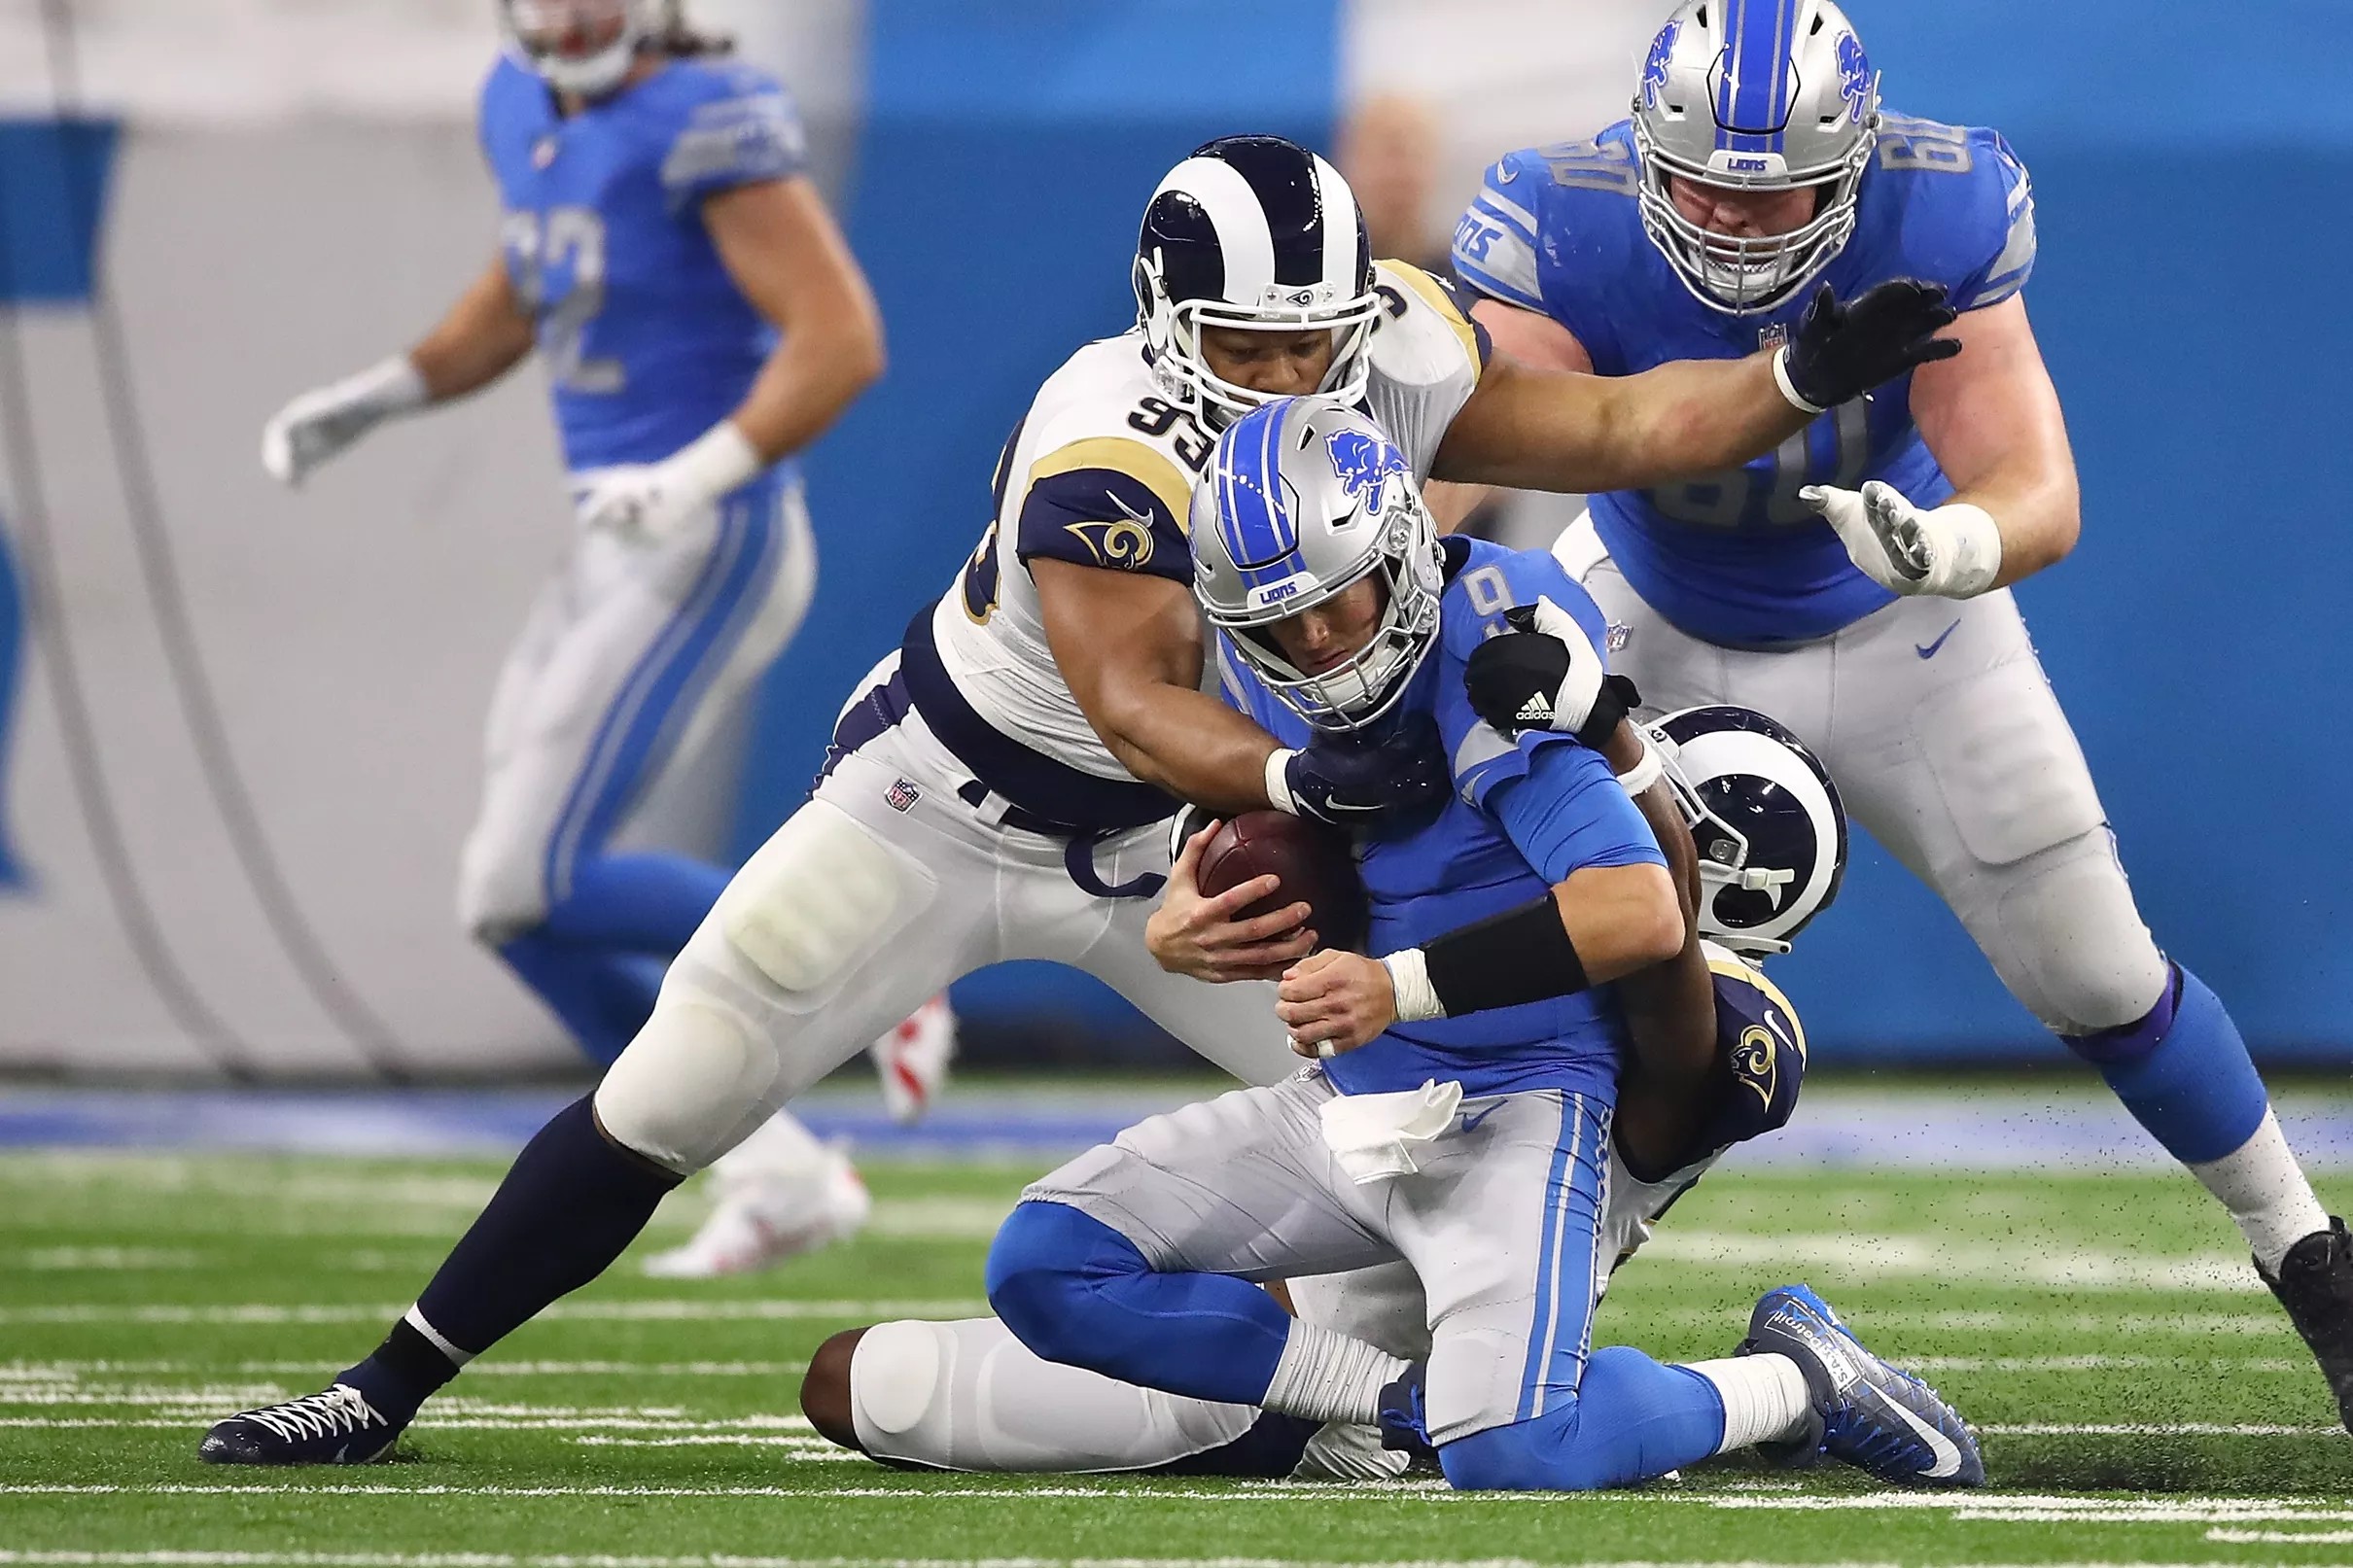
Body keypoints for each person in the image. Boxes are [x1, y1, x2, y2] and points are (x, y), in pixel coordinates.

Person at [198, 130, 1955, 1466]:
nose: (1292, 378)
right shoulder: (1105, 437)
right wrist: (1302, 779)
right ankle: (383, 1381)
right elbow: (1136, 702)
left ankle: (1432, 1363)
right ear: (1169, 326)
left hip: (1203, 858)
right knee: (680, 1078)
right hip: (958, 804)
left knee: (1474, 1109)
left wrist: (1795, 380)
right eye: (1251, 348)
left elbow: (1622, 428)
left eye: (1315, 343)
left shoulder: (1392, 356)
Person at [1447, 0, 2353, 1428]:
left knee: (2099, 972)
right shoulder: (1563, 219)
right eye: (1700, 189)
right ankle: (1465, 1310)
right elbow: (1478, 460)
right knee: (1535, 961)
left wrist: (1957, 547)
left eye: (1786, 192)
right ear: (1644, 156)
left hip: (1898, 614)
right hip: (1638, 614)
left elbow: (2036, 486)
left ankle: (2314, 1262)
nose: (1741, 229)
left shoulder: (1941, 211)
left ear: (1857, 168)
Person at [979, 396, 1980, 1492]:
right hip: (1348, 1103)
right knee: (1043, 1260)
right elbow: (1263, 829)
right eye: (1277, 621)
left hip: (1517, 1100)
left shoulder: (1492, 650)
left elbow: (1640, 912)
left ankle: (1792, 1384)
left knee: (1512, 1450)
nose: (1312, 640)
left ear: (1396, 551)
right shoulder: (1270, 660)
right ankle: (1389, 1405)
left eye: (1335, 600)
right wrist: (1181, 907)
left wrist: (1393, 986)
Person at [254, 0, 951, 1277]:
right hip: (612, 540)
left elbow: (841, 337)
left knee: (533, 875)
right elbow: (527, 287)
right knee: (512, 905)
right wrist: (377, 397)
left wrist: (696, 475)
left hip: (709, 531)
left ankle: (901, 951)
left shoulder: (705, 112)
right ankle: (780, 1166)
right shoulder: (516, 103)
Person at [799, 700, 1846, 1480]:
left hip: (1313, 1389)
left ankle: (1785, 1382)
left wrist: (1626, 766)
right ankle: (1402, 1404)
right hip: (1272, 1319)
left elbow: (1659, 973)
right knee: (846, 1379)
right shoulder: (1525, 924)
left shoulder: (1711, 1029)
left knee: (870, 1386)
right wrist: (1193, 888)